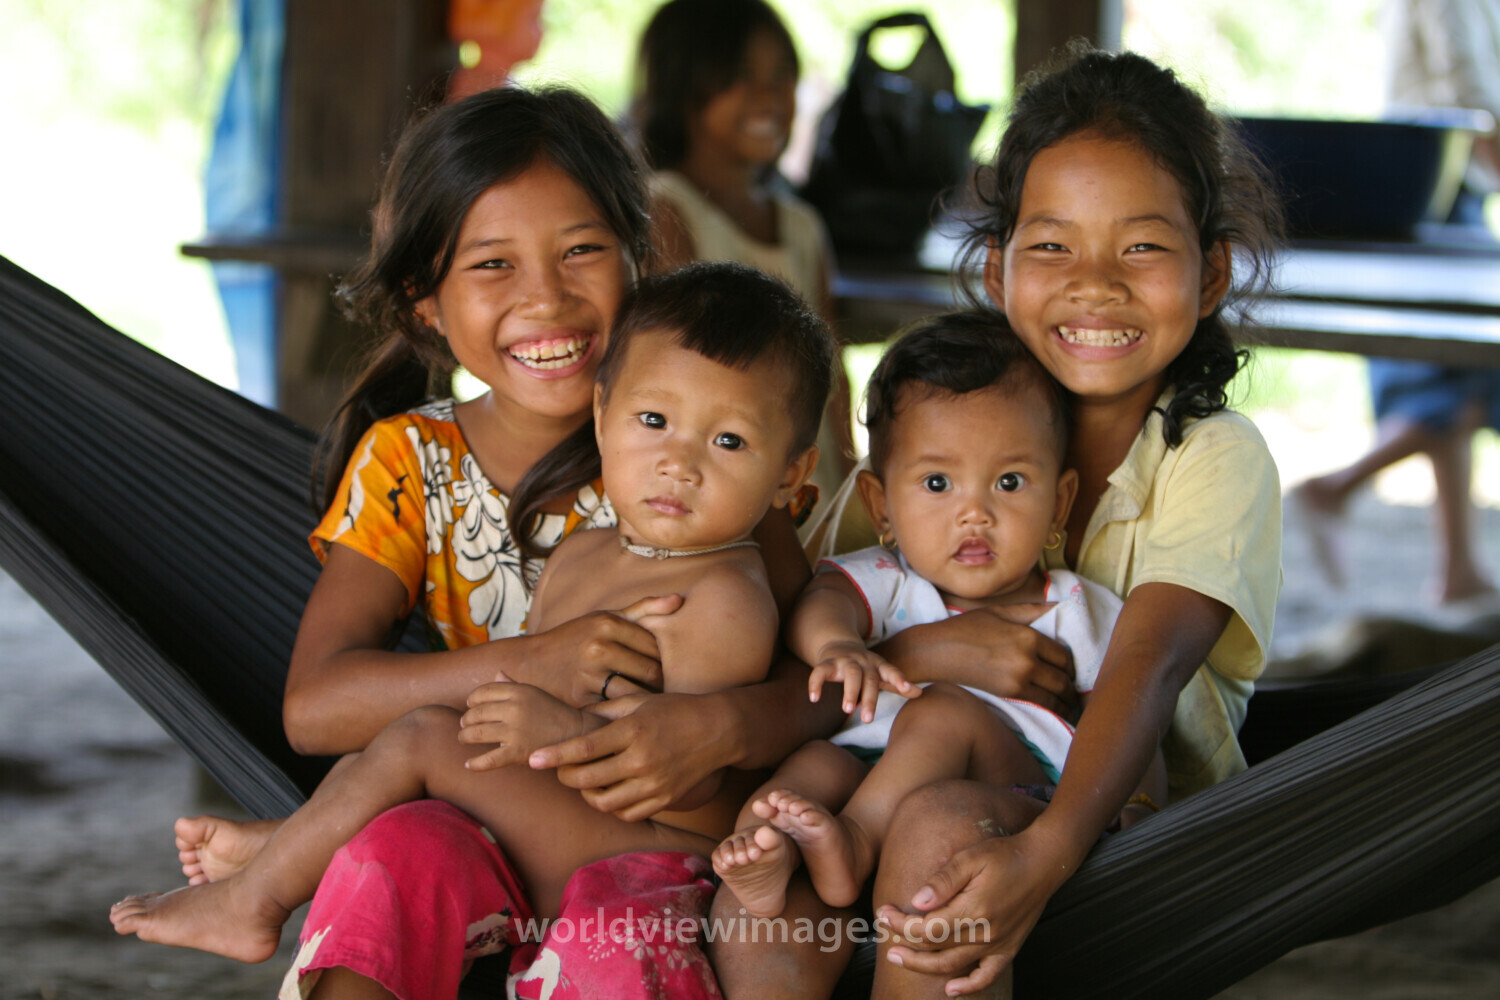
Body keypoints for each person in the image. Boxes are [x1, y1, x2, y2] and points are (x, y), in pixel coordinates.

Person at [164, 86, 845, 1000]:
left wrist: (714, 727)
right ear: (425, 303)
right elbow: (316, 706)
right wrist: (536, 665)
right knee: (393, 852)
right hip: (487, 823)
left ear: (638, 261)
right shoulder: (410, 460)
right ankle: (293, 855)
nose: (546, 297)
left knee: (465, 818)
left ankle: (284, 854)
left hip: (670, 849)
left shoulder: (697, 459)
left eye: (581, 251)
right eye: (492, 264)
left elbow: (824, 688)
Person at [706, 45, 1285, 999]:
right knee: (764, 860)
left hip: (1116, 827)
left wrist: (1048, 852)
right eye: (1053, 244)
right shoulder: (936, 435)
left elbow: (1147, 670)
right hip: (878, 782)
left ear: (1212, 272)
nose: (1095, 283)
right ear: (994, 264)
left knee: (937, 840)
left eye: (1141, 246)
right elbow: (813, 614)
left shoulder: (1212, 456)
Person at [712, 314, 1166, 923]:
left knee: (943, 715)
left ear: (1058, 501)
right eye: (936, 482)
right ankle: (761, 858)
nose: (974, 513)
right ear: (882, 506)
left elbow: (1132, 712)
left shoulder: (1076, 606)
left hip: (1013, 786)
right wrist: (838, 644)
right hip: (867, 772)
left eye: (1008, 482)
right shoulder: (889, 578)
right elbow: (822, 602)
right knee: (809, 769)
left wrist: (1140, 805)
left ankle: (855, 844)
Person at [1293, 0, 1500, 607]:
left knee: (1455, 383)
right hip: (1441, 160)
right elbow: (1461, 75)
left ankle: (1457, 567)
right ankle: (1337, 488)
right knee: (1461, 377)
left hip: (1452, 163)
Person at [631, 0, 855, 493]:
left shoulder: (800, 223)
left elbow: (833, 376)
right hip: (726, 487)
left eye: (781, 76)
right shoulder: (666, 210)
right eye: (739, 76)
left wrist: (852, 491)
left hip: (811, 484)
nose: (769, 96)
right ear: (683, 88)